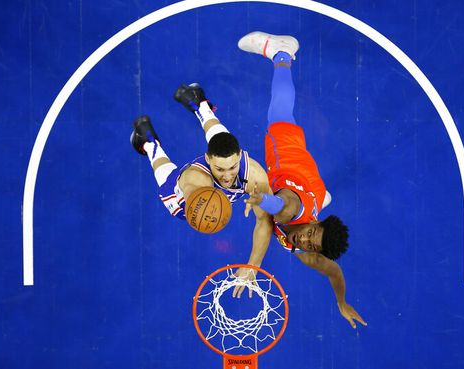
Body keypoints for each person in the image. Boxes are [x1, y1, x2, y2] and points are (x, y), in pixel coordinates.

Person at [235, 31, 367, 329]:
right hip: (289, 162)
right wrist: (261, 199)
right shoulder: (291, 211)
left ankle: (322, 197)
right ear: (315, 222)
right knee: (279, 114)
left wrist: (341, 301)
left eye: (310, 244)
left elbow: (334, 272)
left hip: (314, 189)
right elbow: (281, 206)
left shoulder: (309, 254)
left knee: (316, 196)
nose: (303, 239)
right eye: (311, 233)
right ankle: (282, 54)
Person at [130, 84, 273, 262]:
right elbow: (194, 199)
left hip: (222, 169)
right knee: (167, 177)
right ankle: (149, 143)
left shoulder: (254, 175)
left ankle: (200, 105)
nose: (228, 176)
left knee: (221, 140)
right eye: (220, 169)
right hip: (184, 196)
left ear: (240, 156)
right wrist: (202, 210)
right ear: (208, 159)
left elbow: (265, 220)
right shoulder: (195, 180)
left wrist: (254, 265)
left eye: (232, 167)